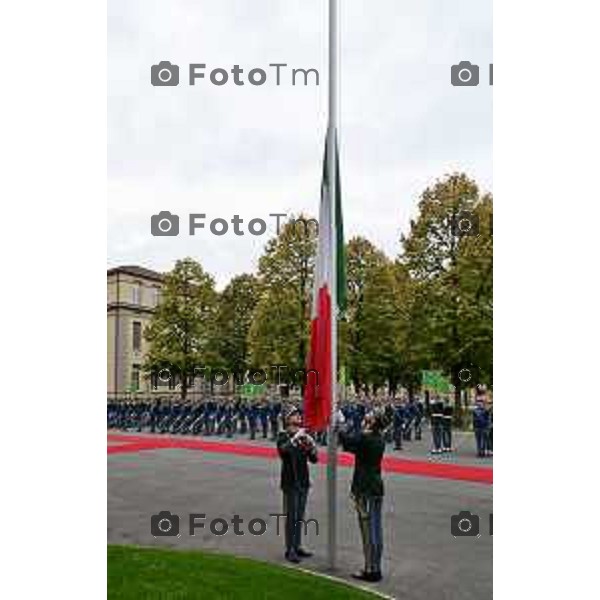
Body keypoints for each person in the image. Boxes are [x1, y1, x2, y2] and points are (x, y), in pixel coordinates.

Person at [339, 410, 386, 582]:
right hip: (376, 486)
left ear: (372, 422)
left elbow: (347, 440)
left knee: (368, 530)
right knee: (376, 529)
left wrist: (342, 426)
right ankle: (375, 566)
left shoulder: (366, 438)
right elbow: (352, 445)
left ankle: (371, 569)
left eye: (370, 416)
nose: (367, 416)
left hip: (364, 488)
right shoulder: (378, 438)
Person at [276, 407, 318, 563]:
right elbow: (283, 450)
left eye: (299, 414)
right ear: (287, 419)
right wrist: (296, 438)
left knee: (299, 516)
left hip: (303, 480)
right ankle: (290, 549)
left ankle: (298, 545)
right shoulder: (283, 436)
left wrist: (312, 447)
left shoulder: (302, 437)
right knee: (291, 517)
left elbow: (313, 459)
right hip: (290, 481)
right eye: (295, 415)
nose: (299, 416)